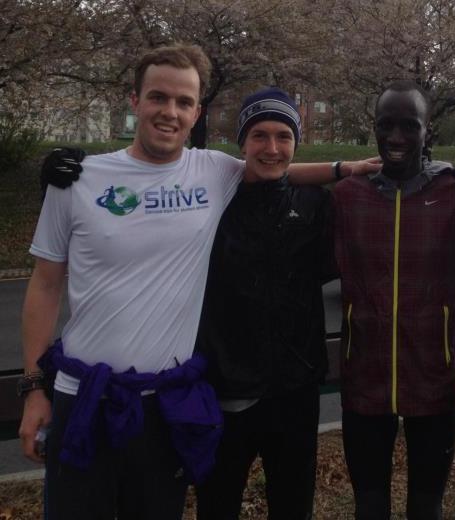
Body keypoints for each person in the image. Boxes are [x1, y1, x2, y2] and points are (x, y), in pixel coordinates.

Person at [20, 43, 378, 520]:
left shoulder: (211, 171)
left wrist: (343, 169)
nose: (170, 112)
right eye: (158, 98)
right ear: (134, 101)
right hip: (83, 396)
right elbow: (44, 286)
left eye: (183, 102)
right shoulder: (77, 179)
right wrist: (34, 388)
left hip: (167, 403)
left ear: (197, 112)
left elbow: (273, 167)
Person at [332, 80, 455, 520]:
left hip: (435, 381)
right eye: (385, 125)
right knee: (369, 505)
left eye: (408, 126)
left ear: (427, 130)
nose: (395, 138)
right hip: (364, 384)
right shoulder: (346, 197)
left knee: (426, 507)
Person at [194, 87, 333, 520]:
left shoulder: (315, 205)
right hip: (225, 390)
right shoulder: (211, 202)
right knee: (217, 505)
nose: (272, 148)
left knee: (293, 506)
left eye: (283, 136)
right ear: (241, 142)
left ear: (296, 142)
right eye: (259, 135)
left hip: (294, 390)